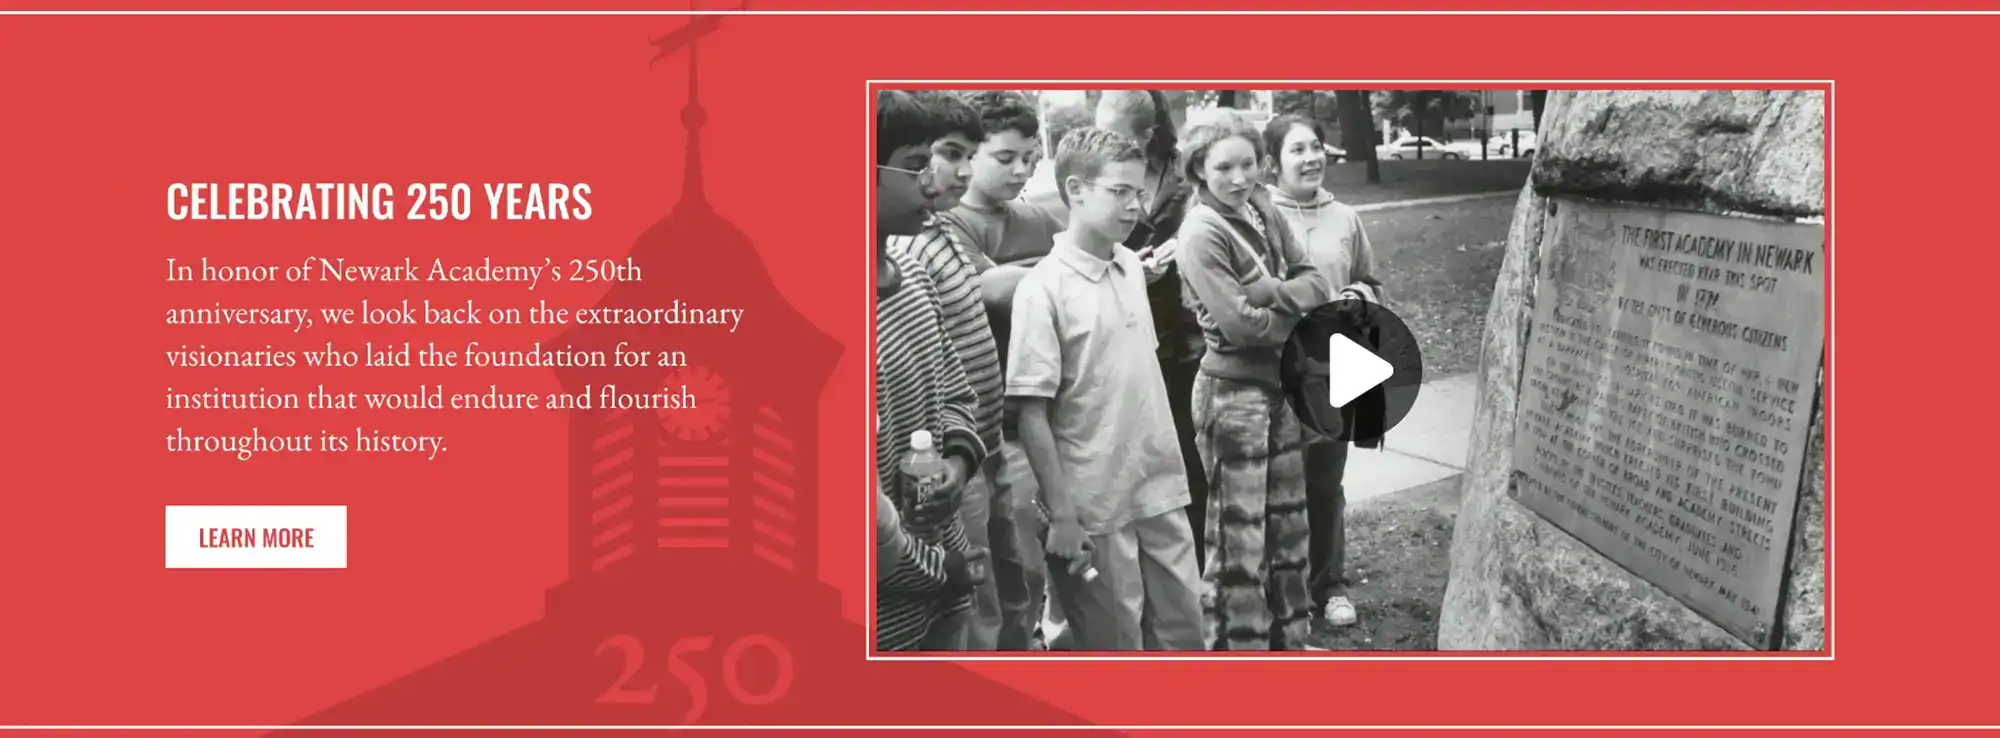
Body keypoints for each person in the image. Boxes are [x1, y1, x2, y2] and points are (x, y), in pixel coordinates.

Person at [1007, 128, 1205, 651]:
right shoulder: (1042, 290)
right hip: (1096, 503)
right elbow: (1031, 414)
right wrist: (1064, 516)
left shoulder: (1128, 267)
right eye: (1120, 192)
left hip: (1159, 485)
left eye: (1138, 193)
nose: (1135, 208)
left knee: (1184, 630)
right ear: (1076, 190)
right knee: (1115, 646)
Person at [1174, 106, 1332, 650]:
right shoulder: (1200, 231)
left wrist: (1273, 297)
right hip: (1231, 395)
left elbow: (1318, 280)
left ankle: (1290, 642)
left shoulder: (1265, 206)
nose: (1238, 179)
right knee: (1237, 538)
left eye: (1247, 164)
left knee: (1289, 527)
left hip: (1279, 388)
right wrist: (1296, 317)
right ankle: (1236, 653)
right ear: (1198, 171)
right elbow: (1239, 327)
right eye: (1223, 169)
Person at [933, 90, 1070, 651]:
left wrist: (1026, 272)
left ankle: (1032, 648)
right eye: (1004, 157)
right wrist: (1062, 266)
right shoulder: (949, 221)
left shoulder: (1038, 218)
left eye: (1029, 159)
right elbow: (987, 291)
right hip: (986, 423)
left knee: (1032, 562)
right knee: (993, 561)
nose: (1019, 170)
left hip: (1046, 412)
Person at [888, 91, 1015, 652]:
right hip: (886, 605)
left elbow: (954, 392)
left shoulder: (914, 274)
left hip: (944, 561)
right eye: (917, 165)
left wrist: (960, 466)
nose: (935, 182)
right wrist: (937, 570)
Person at [1261, 114, 1384, 638]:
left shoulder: (1346, 217)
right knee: (1275, 488)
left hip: (1335, 371)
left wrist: (1361, 296)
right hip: (1275, 373)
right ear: (1272, 163)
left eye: (1316, 147)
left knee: (1325, 484)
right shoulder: (1258, 217)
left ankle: (1329, 585)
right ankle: (1279, 593)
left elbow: (1369, 279)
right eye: (1297, 150)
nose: (1312, 158)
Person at [1092, 90, 1211, 572]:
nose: (1104, 142)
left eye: (1115, 134)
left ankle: (1203, 565)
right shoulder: (1103, 172)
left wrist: (1182, 246)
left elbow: (1220, 216)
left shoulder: (1186, 172)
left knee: (1193, 454)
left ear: (1145, 135)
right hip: (1135, 334)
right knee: (1145, 461)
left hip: (1194, 331)